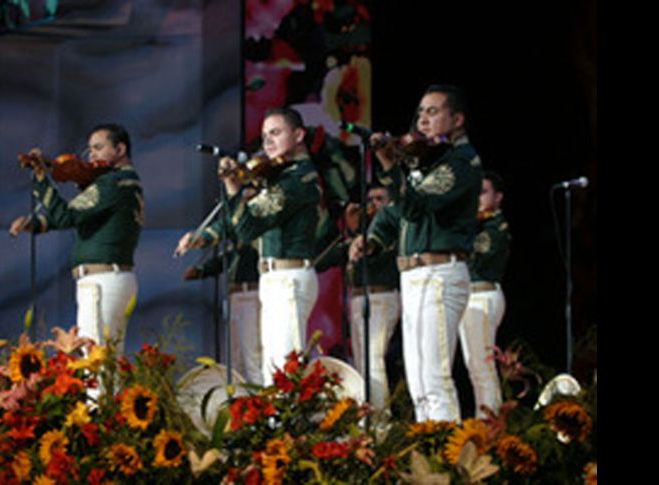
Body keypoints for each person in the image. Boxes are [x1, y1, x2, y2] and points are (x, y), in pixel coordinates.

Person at [350, 85, 483, 422]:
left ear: (457, 119)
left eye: (433, 112)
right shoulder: (428, 163)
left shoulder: (461, 162)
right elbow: (396, 213)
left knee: (434, 378)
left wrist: (389, 165)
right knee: (419, 381)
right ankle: (431, 445)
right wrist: (373, 239)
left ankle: (447, 449)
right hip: (415, 275)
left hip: (438, 274)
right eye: (421, 112)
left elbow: (414, 204)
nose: (422, 119)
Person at [176, 107, 321, 386]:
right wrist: (205, 235)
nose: (267, 142)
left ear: (298, 135)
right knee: (272, 366)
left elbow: (248, 228)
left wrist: (234, 189)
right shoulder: (280, 177)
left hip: (289, 278)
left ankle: (286, 417)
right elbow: (243, 220)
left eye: (276, 133)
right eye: (265, 135)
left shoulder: (297, 179)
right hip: (275, 278)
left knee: (284, 368)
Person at [9, 123, 144, 358]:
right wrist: (38, 223)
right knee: (108, 362)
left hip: (102, 281)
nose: (91, 156)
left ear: (120, 149)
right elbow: (82, 216)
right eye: (90, 150)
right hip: (114, 278)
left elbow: (66, 216)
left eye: (98, 148)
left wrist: (41, 179)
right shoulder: (126, 182)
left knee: (94, 362)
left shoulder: (111, 183)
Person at [315, 184, 401, 412]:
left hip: (381, 296)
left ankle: (380, 418)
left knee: (373, 359)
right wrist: (348, 227)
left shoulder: (392, 228)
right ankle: (370, 414)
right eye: (369, 200)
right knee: (363, 361)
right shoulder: (359, 234)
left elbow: (374, 250)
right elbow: (320, 260)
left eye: (379, 199)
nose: (373, 205)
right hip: (358, 299)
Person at [180, 224, 264, 385]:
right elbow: (226, 258)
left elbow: (241, 250)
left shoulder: (254, 235)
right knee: (235, 357)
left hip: (251, 294)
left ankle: (260, 395)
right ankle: (240, 396)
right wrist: (202, 270)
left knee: (251, 353)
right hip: (235, 296)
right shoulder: (236, 243)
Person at [459, 171, 511, 418]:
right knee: (475, 365)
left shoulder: (495, 227)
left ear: (498, 197)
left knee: (482, 365)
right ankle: (487, 418)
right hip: (470, 296)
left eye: (482, 192)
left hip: (482, 295)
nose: (476, 198)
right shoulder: (479, 223)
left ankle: (491, 422)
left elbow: (477, 254)